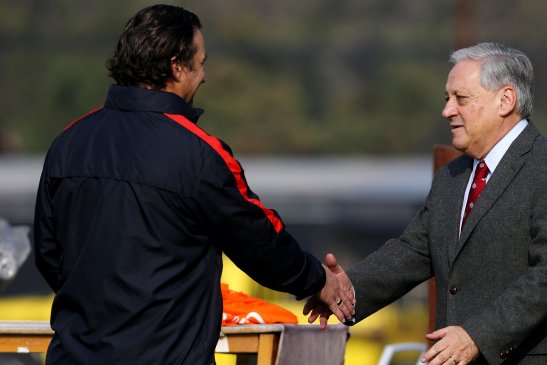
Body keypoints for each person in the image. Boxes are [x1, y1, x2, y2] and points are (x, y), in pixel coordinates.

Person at [33, 5, 353, 365]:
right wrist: (317, 279)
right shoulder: (200, 153)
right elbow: (261, 242)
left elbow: (49, 254)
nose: (204, 76)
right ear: (176, 66)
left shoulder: (68, 143)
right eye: (200, 63)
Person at [305, 42, 547, 364]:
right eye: (447, 99)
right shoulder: (451, 177)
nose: (447, 111)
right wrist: (346, 290)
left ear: (506, 100)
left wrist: (477, 336)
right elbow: (414, 251)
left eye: (461, 99)